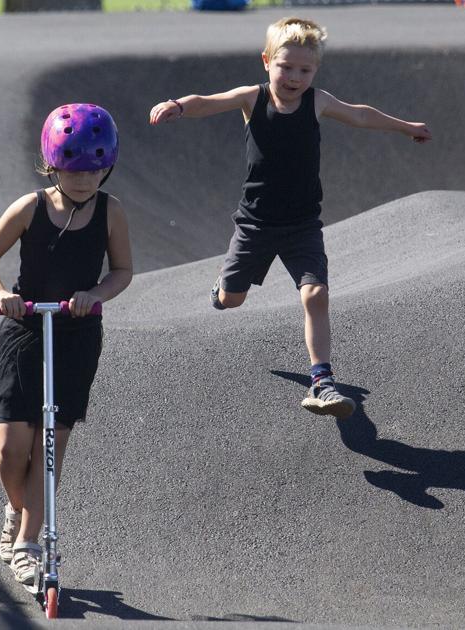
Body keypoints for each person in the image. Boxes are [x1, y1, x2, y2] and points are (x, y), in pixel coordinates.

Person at [149, 17, 430, 418]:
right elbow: (207, 101)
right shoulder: (253, 99)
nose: (294, 77)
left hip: (302, 226)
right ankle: (221, 290)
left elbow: (362, 115)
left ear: (315, 71)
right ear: (267, 61)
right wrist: (177, 106)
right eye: (286, 67)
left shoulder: (317, 101)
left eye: (305, 69)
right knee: (232, 300)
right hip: (255, 226)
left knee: (315, 294)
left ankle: (322, 380)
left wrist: (405, 128)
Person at [0, 103, 132, 585]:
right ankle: (16, 508)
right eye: (74, 169)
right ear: (52, 163)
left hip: (76, 335)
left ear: (108, 166)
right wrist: (0, 294)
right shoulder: (31, 207)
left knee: (49, 444)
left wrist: (94, 295)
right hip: (24, 329)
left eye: (95, 170)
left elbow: (122, 270)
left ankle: (28, 540)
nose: (85, 180)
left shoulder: (111, 211)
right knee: (9, 449)